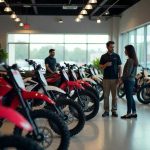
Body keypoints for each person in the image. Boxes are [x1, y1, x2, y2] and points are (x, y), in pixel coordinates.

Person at [99, 41, 122, 117]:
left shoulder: (117, 56)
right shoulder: (103, 56)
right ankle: (106, 111)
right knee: (106, 96)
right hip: (106, 79)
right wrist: (106, 64)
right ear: (107, 47)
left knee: (114, 96)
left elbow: (119, 67)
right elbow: (100, 67)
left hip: (115, 79)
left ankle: (114, 111)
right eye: (111, 47)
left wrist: (119, 77)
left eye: (113, 47)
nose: (112, 48)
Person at [121, 45, 138, 119]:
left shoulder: (130, 60)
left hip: (128, 81)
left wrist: (121, 79)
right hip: (131, 80)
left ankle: (128, 113)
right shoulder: (134, 60)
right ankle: (134, 112)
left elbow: (127, 73)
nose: (124, 51)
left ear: (129, 51)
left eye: (125, 50)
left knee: (128, 97)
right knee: (130, 96)